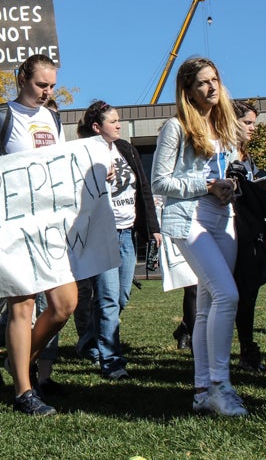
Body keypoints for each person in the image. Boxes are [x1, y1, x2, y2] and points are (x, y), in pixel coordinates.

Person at [0, 54, 74, 417]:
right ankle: (24, 391)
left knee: (63, 305)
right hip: (11, 227)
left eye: (52, 85)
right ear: (22, 78)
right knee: (23, 306)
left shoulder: (52, 118)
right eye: (42, 84)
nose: (47, 92)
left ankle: (3, 355)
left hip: (48, 224)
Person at [151, 57, 245, 417]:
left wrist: (230, 186)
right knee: (227, 295)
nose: (212, 87)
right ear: (188, 90)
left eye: (215, 79)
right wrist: (205, 185)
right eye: (203, 82)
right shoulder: (175, 128)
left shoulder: (226, 126)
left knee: (207, 306)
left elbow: (228, 170)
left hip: (224, 218)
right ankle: (222, 385)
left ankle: (202, 390)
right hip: (188, 218)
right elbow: (160, 182)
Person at [73, 101, 160, 381]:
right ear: (97, 127)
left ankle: (88, 340)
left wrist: (152, 227)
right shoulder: (85, 153)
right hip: (102, 234)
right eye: (113, 122)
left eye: (119, 121)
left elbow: (143, 189)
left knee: (120, 296)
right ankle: (111, 360)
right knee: (108, 299)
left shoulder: (127, 149)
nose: (119, 125)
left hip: (127, 234)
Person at [229, 100, 266, 373]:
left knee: (246, 291)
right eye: (247, 123)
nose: (253, 128)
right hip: (229, 230)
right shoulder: (223, 151)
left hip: (250, 230)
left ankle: (246, 347)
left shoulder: (245, 154)